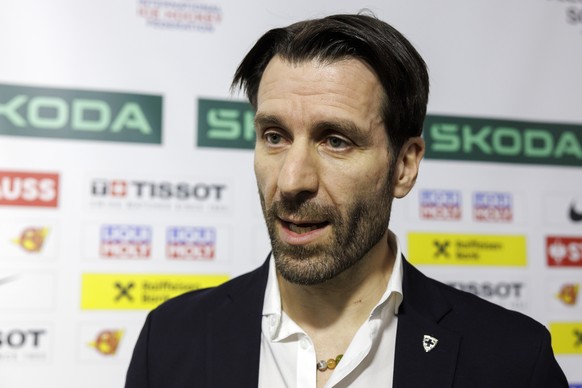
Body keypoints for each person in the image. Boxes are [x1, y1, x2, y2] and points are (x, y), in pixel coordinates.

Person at [125, 13, 568, 388]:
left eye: (335, 141)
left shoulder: (511, 361)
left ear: (405, 165)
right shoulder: (169, 341)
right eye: (274, 137)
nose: (292, 180)